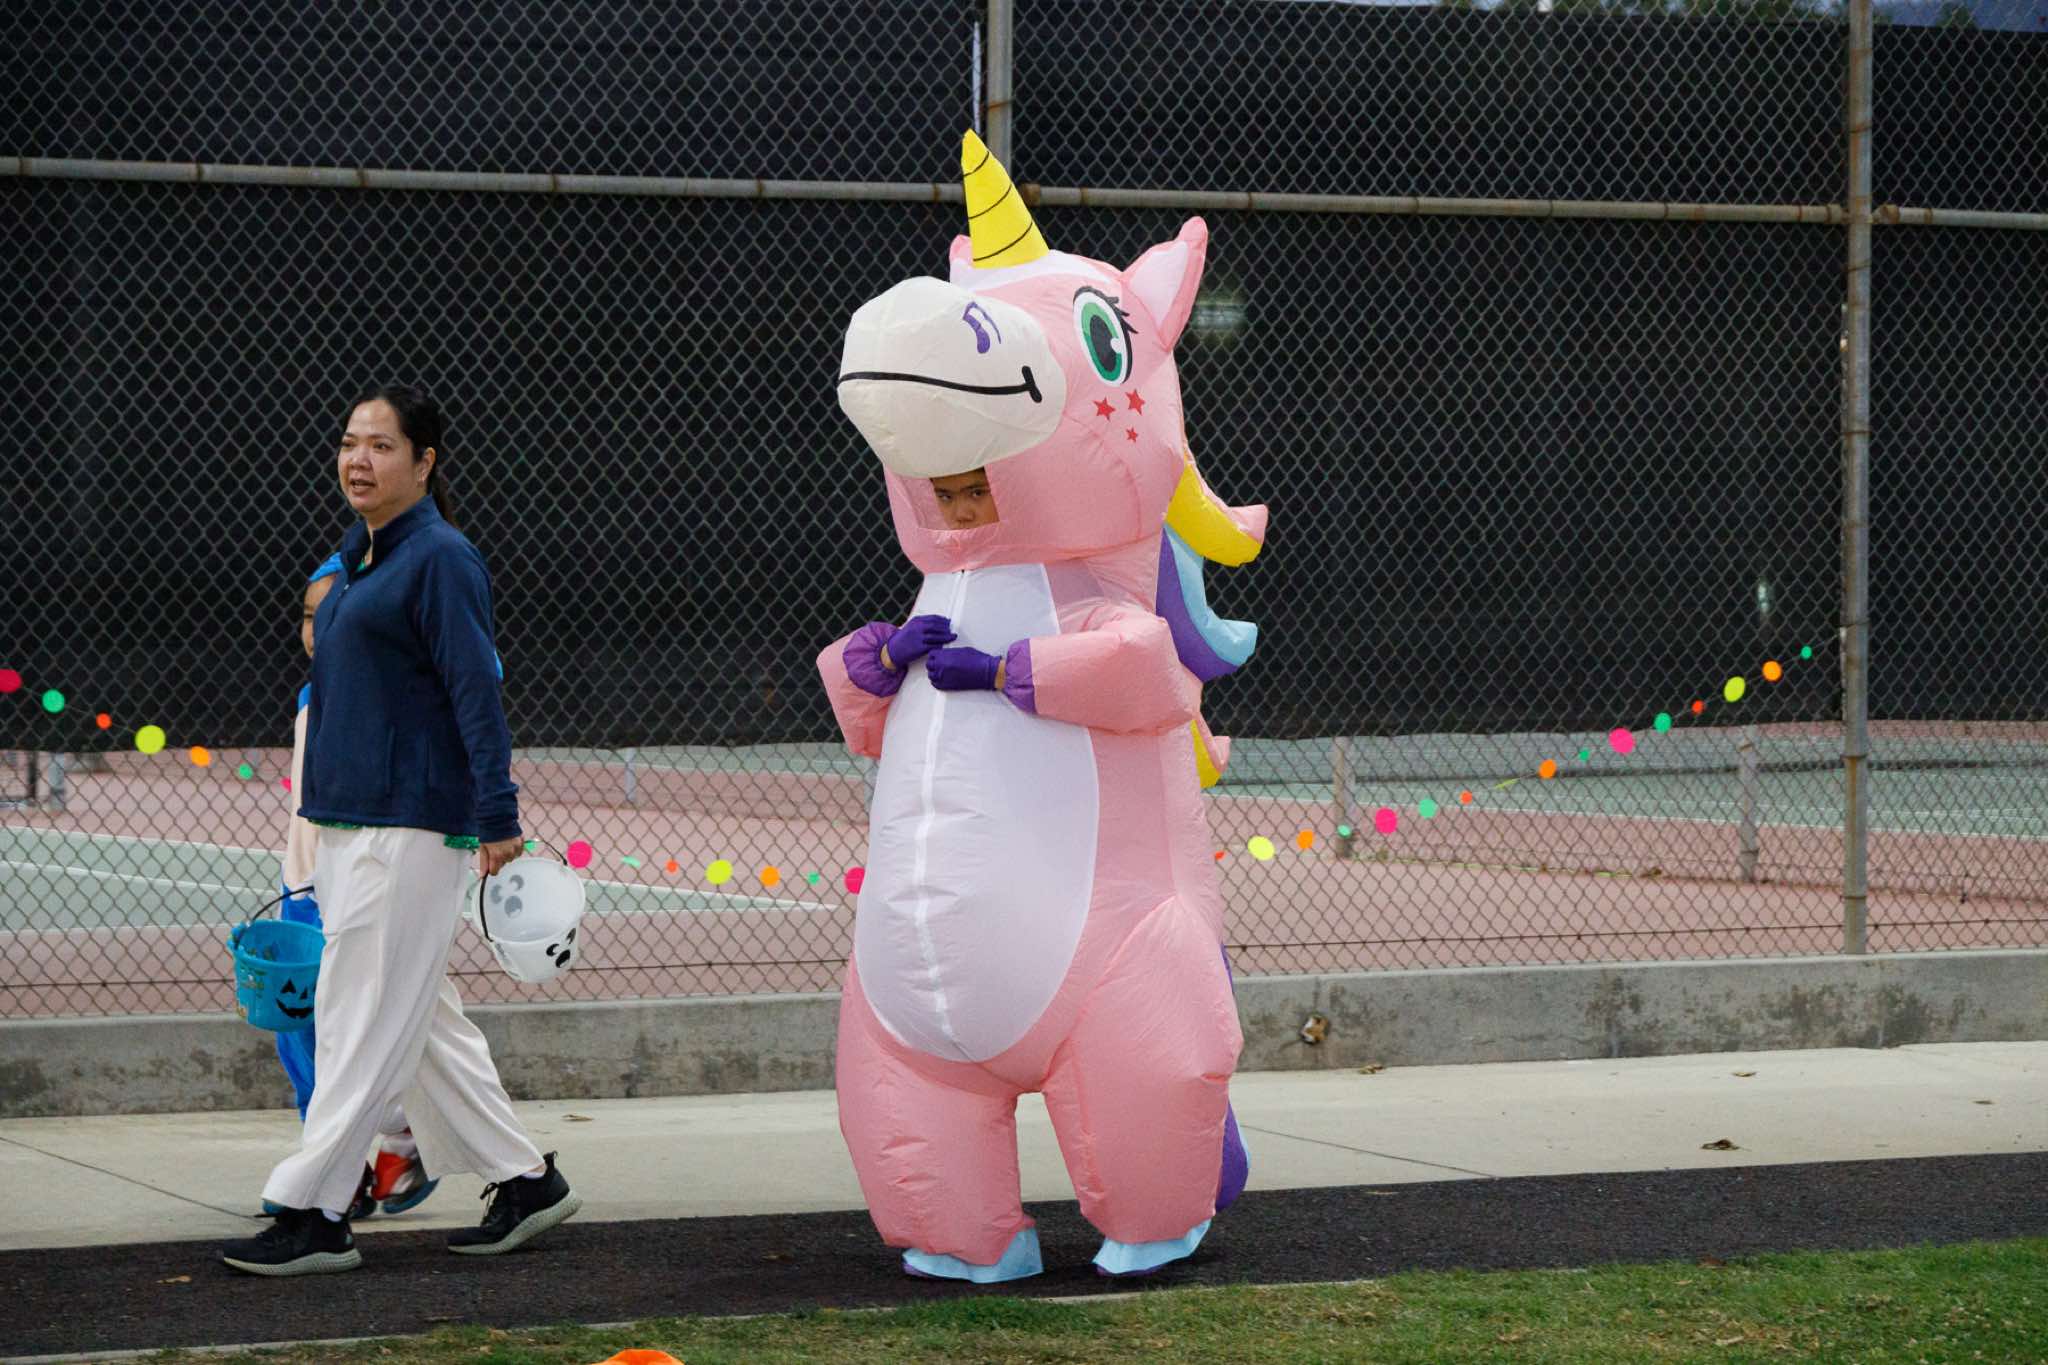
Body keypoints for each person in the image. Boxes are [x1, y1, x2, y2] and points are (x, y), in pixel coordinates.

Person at [220, 385, 578, 1276]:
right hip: (350, 825)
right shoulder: (357, 561)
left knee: (358, 1017)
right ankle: (527, 1180)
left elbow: (474, 688)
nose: (359, 459)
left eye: (381, 445)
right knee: (416, 1021)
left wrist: (497, 814)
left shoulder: (442, 559)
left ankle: (315, 1208)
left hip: (411, 826)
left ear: (424, 463)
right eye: (350, 442)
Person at [261, 554, 437, 1221]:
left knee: (348, 1032)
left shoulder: (382, 696)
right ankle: (344, 1162)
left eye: (333, 615)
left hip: (351, 891)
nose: (318, 631)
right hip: (303, 888)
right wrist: (296, 886)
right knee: (298, 1031)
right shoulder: (314, 695)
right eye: (310, 617)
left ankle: (386, 1145)